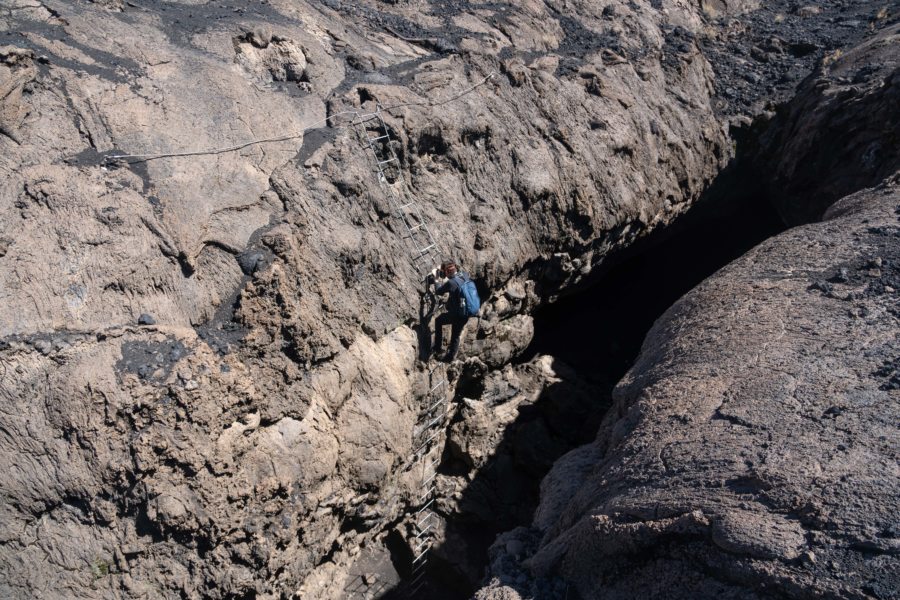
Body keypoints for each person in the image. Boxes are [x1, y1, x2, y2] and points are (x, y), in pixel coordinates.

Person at [430, 260, 471, 362]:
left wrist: (436, 279)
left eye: (444, 273)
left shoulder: (451, 283)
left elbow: (438, 291)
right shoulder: (464, 274)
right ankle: (450, 358)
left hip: (456, 314)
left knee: (438, 320)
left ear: (447, 272)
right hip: (466, 311)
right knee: (456, 335)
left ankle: (438, 348)